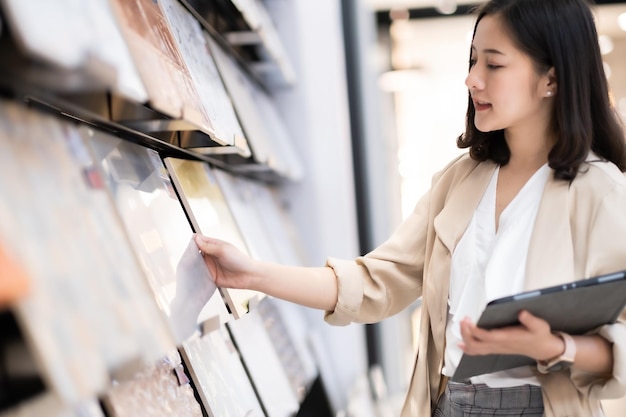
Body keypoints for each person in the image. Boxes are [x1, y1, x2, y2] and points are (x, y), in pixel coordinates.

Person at [195, 0, 626, 415]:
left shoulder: (598, 191)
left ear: (550, 79)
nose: (473, 79)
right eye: (472, 61)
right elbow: (374, 283)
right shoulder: (460, 180)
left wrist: (553, 348)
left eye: (493, 64)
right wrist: (250, 274)